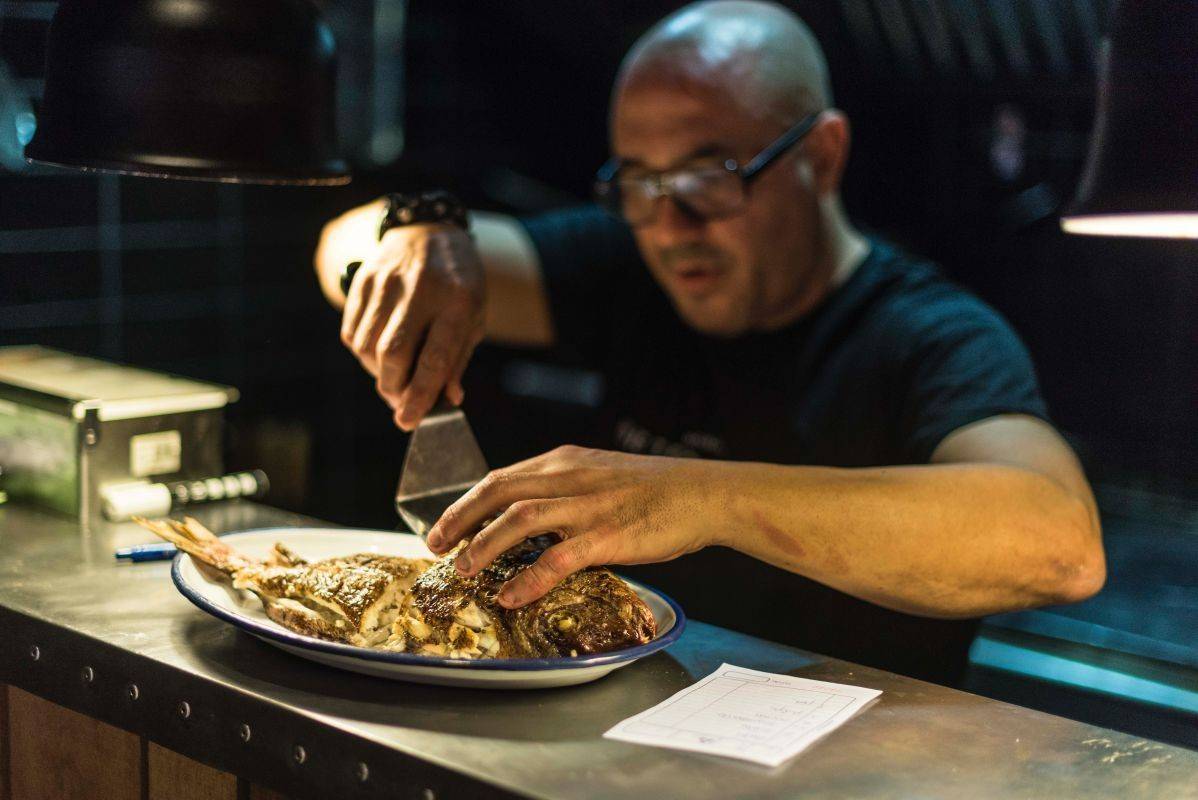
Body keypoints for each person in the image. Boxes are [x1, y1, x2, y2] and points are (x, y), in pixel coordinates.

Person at [314, 0, 1104, 684]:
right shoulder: (632, 266)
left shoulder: (930, 335)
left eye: (709, 176)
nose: (668, 226)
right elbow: (341, 249)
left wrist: (703, 494)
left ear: (821, 155)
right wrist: (417, 231)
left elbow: (1059, 541)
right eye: (638, 182)